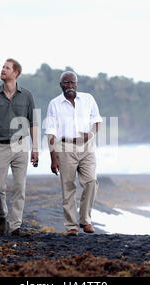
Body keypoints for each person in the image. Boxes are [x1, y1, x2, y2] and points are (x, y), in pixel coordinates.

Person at [0, 58, 38, 237]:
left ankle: (15, 227)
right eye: (2, 67)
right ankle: (2, 214)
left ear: (16, 73)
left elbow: (33, 122)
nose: (3, 70)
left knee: (20, 187)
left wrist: (35, 148)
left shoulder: (27, 95)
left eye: (7, 68)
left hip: (21, 145)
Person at [45, 71, 102, 236]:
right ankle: (71, 226)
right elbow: (51, 132)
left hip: (86, 146)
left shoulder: (88, 99)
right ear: (60, 85)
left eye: (72, 82)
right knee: (68, 186)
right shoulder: (54, 104)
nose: (69, 86)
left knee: (91, 181)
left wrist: (91, 134)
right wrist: (53, 158)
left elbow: (97, 121)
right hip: (65, 146)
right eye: (66, 83)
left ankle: (86, 220)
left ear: (77, 83)